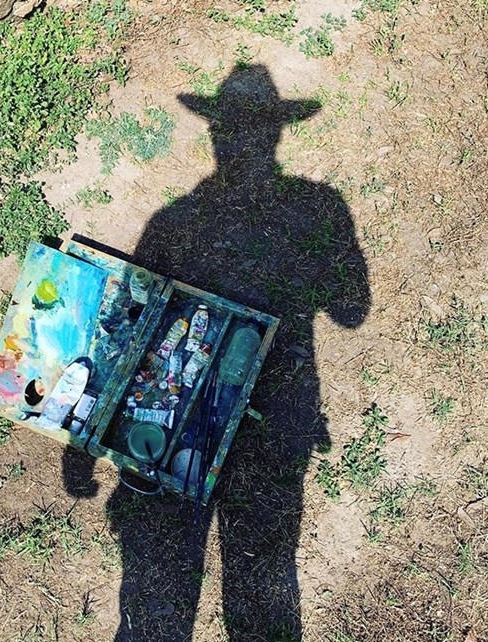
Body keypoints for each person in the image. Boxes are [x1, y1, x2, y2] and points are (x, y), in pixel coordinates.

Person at [63, 64, 371, 641]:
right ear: (276, 131)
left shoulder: (171, 219)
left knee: (177, 587)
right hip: (248, 417)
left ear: (217, 132)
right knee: (258, 575)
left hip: (188, 426)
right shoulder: (318, 205)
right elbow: (352, 312)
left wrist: (80, 443)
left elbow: (126, 324)